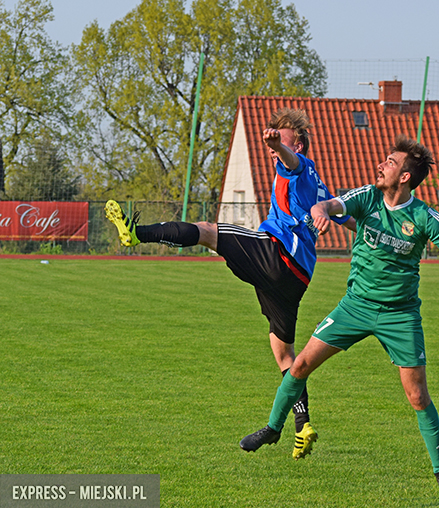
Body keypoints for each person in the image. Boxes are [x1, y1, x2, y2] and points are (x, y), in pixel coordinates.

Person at [238, 135, 439, 504]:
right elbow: (332, 203)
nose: (381, 165)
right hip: (355, 306)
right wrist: (321, 211)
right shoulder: (367, 196)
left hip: (400, 316)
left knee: (417, 396)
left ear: (405, 178)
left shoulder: (424, 217)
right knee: (299, 365)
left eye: (390, 163)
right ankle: (272, 428)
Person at [104, 108, 356, 460]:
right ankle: (302, 426)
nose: (271, 148)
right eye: (270, 143)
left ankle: (136, 233)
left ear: (297, 143)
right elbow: (349, 219)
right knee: (285, 356)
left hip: (276, 254)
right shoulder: (322, 188)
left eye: (278, 140)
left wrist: (279, 148)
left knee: (208, 230)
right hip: (296, 278)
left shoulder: (299, 164)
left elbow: (291, 161)